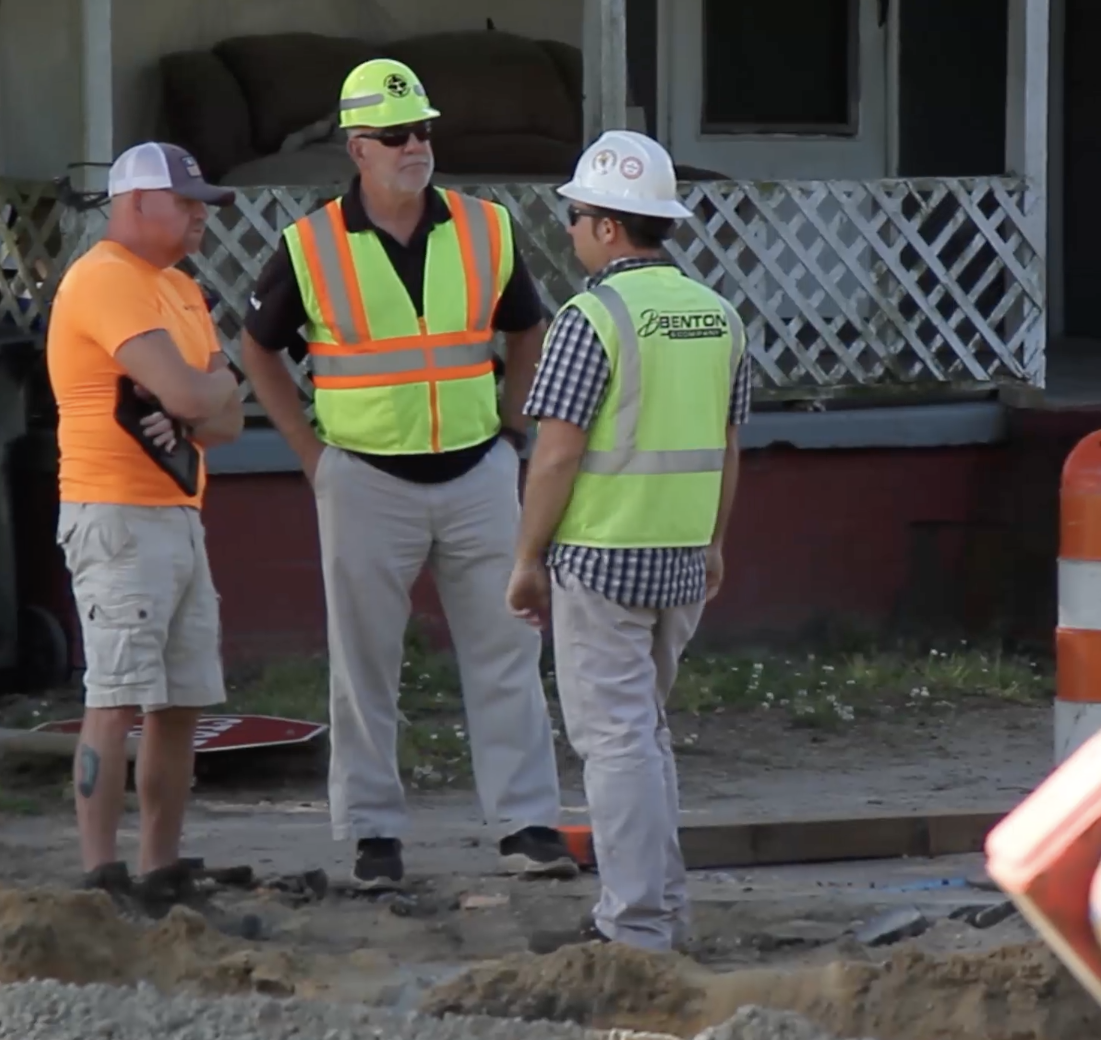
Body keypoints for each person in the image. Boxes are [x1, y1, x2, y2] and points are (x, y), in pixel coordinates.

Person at [236, 58, 576, 888]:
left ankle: (528, 823)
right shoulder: (310, 245)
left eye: (423, 130)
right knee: (364, 665)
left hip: (477, 472)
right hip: (365, 479)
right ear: (358, 147)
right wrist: (312, 456)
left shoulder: (484, 227)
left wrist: (512, 425)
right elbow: (257, 349)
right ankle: (373, 835)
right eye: (396, 136)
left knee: (508, 649)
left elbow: (527, 326)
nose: (415, 146)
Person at [508, 130, 751, 953]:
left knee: (614, 744)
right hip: (681, 557)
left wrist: (525, 557)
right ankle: (662, 911)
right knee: (643, 737)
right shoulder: (718, 316)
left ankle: (636, 925)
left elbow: (558, 451)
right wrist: (714, 543)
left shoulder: (591, 317)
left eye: (575, 215)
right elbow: (727, 444)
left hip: (599, 558)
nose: (570, 228)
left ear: (610, 227)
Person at [46, 142, 245, 900]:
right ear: (134, 205)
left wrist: (196, 397)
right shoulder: (105, 280)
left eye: (203, 203)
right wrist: (199, 391)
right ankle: (101, 870)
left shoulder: (181, 292)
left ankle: (160, 864)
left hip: (176, 509)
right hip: (117, 513)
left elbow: (223, 422)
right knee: (117, 694)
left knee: (180, 697)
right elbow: (202, 400)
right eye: (186, 201)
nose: (200, 215)